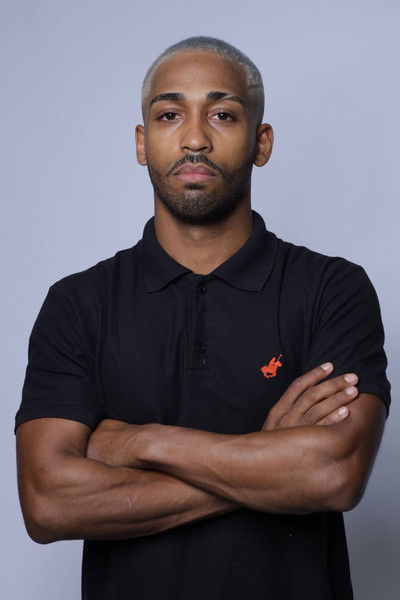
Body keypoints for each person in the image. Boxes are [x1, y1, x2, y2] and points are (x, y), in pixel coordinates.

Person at [15, 36, 391, 600]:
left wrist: (139, 442)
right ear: (141, 143)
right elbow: (48, 502)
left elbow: (333, 473)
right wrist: (270, 459)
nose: (195, 139)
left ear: (261, 142)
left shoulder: (331, 289)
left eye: (222, 114)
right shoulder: (78, 304)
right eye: (169, 115)